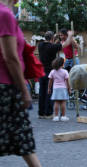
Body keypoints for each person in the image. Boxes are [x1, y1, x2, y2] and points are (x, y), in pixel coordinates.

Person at [0, 0, 42, 166]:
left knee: (23, 140)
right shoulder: (4, 15)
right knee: (24, 140)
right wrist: (24, 91)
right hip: (7, 87)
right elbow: (10, 57)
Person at [38, 30, 73, 119]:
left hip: (41, 72)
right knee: (49, 93)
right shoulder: (52, 47)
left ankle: (41, 113)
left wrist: (55, 37)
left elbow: (53, 44)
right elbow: (66, 43)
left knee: (42, 93)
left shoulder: (40, 45)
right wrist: (70, 35)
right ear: (52, 38)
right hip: (50, 73)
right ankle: (48, 113)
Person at [48, 57, 71, 121]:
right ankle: (63, 116)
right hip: (63, 88)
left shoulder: (52, 71)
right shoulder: (65, 71)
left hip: (55, 88)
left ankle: (56, 116)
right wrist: (69, 89)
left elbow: (50, 81)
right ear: (62, 64)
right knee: (63, 102)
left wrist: (49, 88)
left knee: (56, 102)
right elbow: (67, 81)